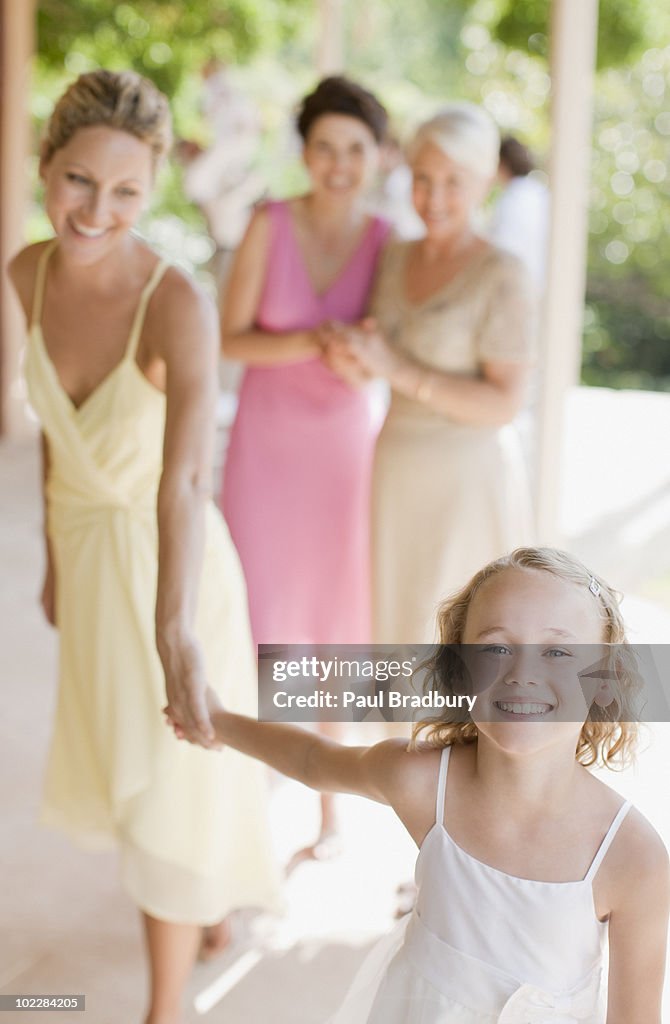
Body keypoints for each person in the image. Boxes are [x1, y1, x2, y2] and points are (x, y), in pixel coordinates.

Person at [8, 70, 279, 1024]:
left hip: (174, 573)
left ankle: (167, 1009)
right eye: (79, 181)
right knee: (133, 768)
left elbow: (184, 481)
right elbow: (50, 434)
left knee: (176, 788)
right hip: (86, 565)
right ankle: (200, 917)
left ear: (155, 187)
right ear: (46, 168)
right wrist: (49, 552)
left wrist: (176, 636)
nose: (98, 211)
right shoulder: (24, 273)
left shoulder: (178, 302)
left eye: (126, 191)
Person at [169, 547, 669, 1022]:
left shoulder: (633, 859)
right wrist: (217, 720)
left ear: (605, 681)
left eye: (558, 651)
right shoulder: (424, 784)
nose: (523, 673)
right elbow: (312, 759)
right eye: (495, 647)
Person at [220, 76, 389, 860]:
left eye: (355, 148)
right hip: (266, 447)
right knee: (254, 617)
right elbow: (229, 338)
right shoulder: (268, 222)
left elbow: (383, 355)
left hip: (342, 452)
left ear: (377, 156)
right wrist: (312, 341)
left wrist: (352, 356)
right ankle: (234, 806)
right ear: (306, 152)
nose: (339, 162)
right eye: (325, 146)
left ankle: (329, 811)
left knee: (332, 625)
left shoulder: (390, 240)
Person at [324, 104, 536, 644]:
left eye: (453, 182)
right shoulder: (394, 257)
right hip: (395, 466)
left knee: (458, 636)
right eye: (423, 179)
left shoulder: (502, 273)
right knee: (398, 625)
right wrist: (352, 361)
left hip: (465, 477)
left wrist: (396, 367)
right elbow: (377, 369)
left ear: (485, 180)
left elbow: (504, 403)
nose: (435, 198)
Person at [487, 134, 550, 292]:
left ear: (501, 163)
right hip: (540, 284)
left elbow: (503, 245)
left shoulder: (511, 198)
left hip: (515, 285)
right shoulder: (540, 193)